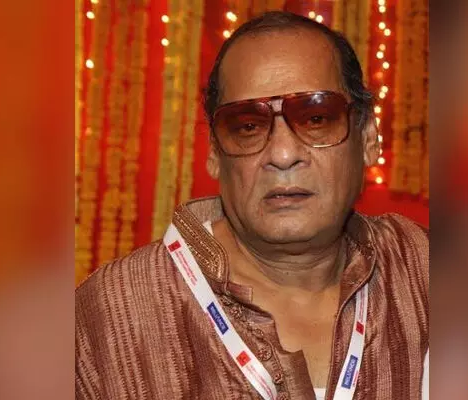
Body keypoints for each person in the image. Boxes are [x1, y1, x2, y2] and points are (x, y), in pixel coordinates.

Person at [76, 11, 428, 400]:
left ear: (368, 139)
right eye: (248, 126)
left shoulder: (426, 276)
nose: (282, 154)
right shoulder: (110, 317)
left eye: (315, 118)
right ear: (214, 153)